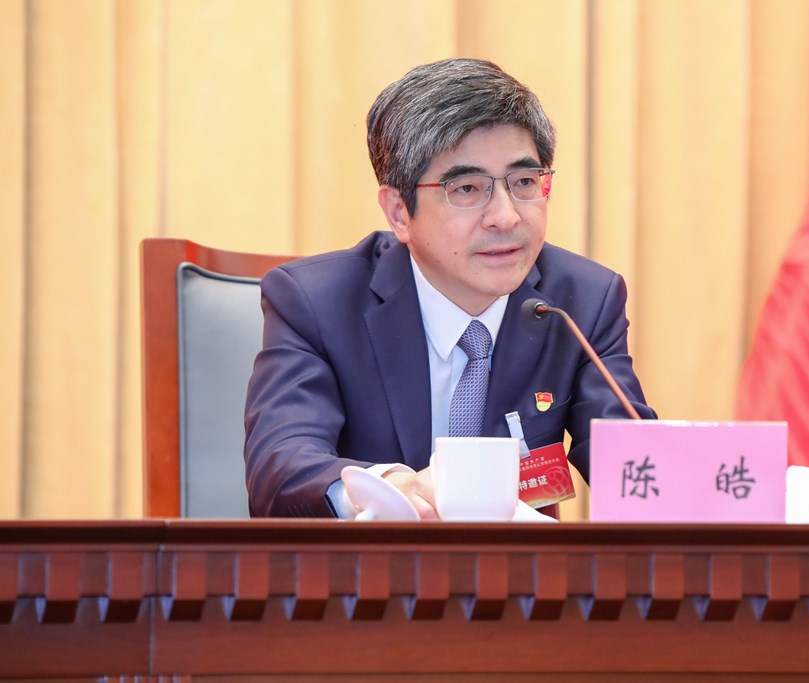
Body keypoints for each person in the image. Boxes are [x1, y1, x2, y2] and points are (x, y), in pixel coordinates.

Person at [244, 57, 655, 519]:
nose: (506, 217)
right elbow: (280, 468)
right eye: (467, 189)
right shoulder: (318, 303)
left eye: (524, 182)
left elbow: (635, 467)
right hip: (370, 564)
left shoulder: (582, 301)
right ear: (399, 212)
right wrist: (388, 489)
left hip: (521, 567)